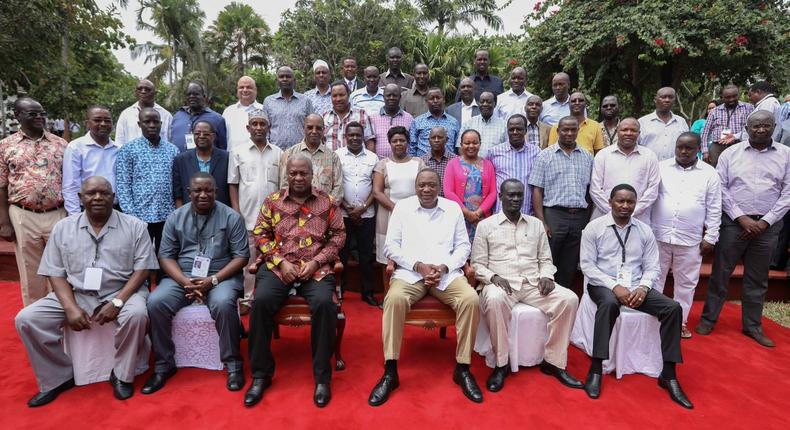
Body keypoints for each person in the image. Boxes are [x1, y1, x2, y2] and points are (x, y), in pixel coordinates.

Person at [16, 177, 157, 406]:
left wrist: (118, 302)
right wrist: (70, 308)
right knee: (27, 319)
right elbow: (55, 272)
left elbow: (142, 271)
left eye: (104, 193)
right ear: (81, 198)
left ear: (114, 197)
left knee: (138, 314)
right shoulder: (63, 228)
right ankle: (58, 377)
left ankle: (122, 375)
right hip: (78, 292)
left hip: (122, 292)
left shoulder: (135, 226)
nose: (98, 198)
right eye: (91, 193)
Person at [369, 168, 482, 406]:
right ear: (415, 187)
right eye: (422, 185)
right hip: (411, 274)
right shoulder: (402, 208)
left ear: (439, 187)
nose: (426, 189)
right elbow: (391, 247)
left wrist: (443, 267)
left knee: (471, 299)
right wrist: (418, 265)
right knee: (393, 299)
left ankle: (463, 368)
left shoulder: (452, 209)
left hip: (446, 275)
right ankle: (390, 371)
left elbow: (463, 247)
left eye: (431, 185)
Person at [579, 184, 692, 409]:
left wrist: (643, 287)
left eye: (630, 202)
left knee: (673, 308)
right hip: (602, 283)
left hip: (635, 285)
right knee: (609, 304)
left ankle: (668, 375)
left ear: (635, 204)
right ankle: (596, 368)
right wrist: (615, 286)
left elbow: (652, 267)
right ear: (610, 202)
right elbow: (587, 266)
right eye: (620, 201)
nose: (625, 206)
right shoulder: (594, 228)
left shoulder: (644, 230)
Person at [246, 156, 345, 408]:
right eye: (293, 174)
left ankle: (322, 378)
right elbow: (260, 234)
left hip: (316, 267)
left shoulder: (328, 202)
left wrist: (317, 261)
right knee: (260, 302)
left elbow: (338, 236)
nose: (298, 178)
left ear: (312, 175)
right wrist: (280, 262)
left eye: (303, 173)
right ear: (286, 175)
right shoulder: (273, 201)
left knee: (325, 304)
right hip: (281, 266)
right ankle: (261, 375)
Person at [143, 173, 249, 395]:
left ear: (216, 192)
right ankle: (164, 364)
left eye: (208, 190)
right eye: (197, 191)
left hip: (221, 276)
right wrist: (185, 282)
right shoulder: (175, 217)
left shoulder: (231, 217)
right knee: (155, 302)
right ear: (189, 193)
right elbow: (165, 256)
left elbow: (241, 257)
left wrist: (212, 280)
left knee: (222, 303)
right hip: (182, 276)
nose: (203, 195)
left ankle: (233, 364)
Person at [473, 179, 582, 392]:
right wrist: (493, 277)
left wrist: (547, 276)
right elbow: (477, 263)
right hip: (502, 284)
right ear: (501, 196)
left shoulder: (535, 225)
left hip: (534, 283)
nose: (515, 199)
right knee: (494, 299)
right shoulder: (486, 226)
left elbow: (546, 260)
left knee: (569, 299)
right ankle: (501, 364)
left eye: (519, 195)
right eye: (510, 195)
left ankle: (553, 362)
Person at [697, 110, 790, 348]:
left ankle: (752, 326)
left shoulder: (786, 155)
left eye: (766, 125)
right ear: (747, 129)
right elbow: (721, 188)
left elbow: (787, 193)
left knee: (757, 279)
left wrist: (765, 221)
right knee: (721, 273)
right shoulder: (730, 154)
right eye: (756, 126)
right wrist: (741, 218)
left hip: (767, 227)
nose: (761, 129)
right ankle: (708, 320)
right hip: (733, 224)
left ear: (773, 127)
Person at [652, 132, 721, 339]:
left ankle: (679, 322)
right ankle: (651, 319)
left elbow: (714, 207)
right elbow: (650, 199)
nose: (683, 151)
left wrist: (710, 237)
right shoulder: (661, 168)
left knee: (686, 283)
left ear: (699, 148)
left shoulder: (709, 174)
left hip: (690, 239)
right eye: (680, 147)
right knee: (654, 279)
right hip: (658, 236)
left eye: (689, 148)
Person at [0, 97, 68, 306]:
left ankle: (61, 312)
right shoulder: (5, 146)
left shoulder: (61, 144)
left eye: (41, 113)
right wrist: (4, 221)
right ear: (17, 116)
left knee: (60, 267)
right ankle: (35, 318)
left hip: (57, 213)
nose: (39, 117)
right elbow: (1, 185)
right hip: (23, 214)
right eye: (32, 114)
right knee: (31, 270)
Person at [228, 109, 283, 312]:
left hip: (275, 220)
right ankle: (247, 300)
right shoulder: (238, 152)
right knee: (248, 261)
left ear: (268, 127)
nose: (259, 128)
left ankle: (272, 298)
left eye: (262, 124)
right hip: (248, 217)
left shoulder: (278, 152)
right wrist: (236, 211)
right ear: (248, 128)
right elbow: (233, 183)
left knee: (274, 260)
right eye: (255, 124)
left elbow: (282, 186)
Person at [530, 116, 593, 288]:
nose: (569, 133)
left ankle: (564, 296)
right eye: (565, 129)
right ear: (558, 131)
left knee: (571, 262)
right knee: (549, 259)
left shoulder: (587, 157)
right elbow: (537, 190)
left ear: (578, 131)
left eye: (573, 129)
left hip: (579, 216)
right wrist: (542, 221)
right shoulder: (545, 156)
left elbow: (590, 191)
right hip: (554, 215)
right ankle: (546, 297)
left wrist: (587, 218)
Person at [115, 108, 179, 255]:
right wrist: (132, 215)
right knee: (140, 256)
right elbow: (123, 184)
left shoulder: (172, 150)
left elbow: (177, 184)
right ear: (139, 124)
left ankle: (164, 278)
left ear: (161, 124)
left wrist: (176, 213)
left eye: (155, 122)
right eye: (147, 121)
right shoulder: (128, 150)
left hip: (167, 215)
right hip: (140, 216)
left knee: (166, 255)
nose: (152, 125)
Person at [336, 122, 379, 307]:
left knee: (366, 255)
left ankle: (367, 292)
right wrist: (348, 208)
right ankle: (340, 291)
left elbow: (375, 187)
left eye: (358, 135)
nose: (354, 138)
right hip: (343, 214)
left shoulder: (373, 157)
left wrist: (362, 208)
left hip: (366, 214)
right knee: (342, 254)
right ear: (345, 136)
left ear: (363, 136)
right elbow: (336, 184)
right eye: (351, 135)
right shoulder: (337, 156)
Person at [590, 117, 660, 224]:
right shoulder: (603, 155)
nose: (629, 133)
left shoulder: (649, 156)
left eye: (633, 130)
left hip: (638, 219)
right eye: (624, 130)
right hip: (604, 218)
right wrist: (614, 211)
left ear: (639, 133)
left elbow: (653, 189)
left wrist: (632, 211)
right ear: (617, 130)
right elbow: (595, 189)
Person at [372, 126, 425, 264]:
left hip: (415, 214)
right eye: (395, 141)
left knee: (414, 254)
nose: (399, 143)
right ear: (390, 143)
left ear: (407, 142)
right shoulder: (383, 164)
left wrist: (408, 210)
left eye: (402, 140)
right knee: (387, 258)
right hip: (388, 213)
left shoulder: (418, 163)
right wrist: (396, 209)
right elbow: (377, 192)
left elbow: (425, 187)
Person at [62, 105, 120, 216]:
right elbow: (70, 186)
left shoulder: (119, 149)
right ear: (87, 123)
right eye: (97, 120)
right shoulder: (76, 148)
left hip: (115, 208)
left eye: (107, 120)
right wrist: (75, 216)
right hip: (88, 209)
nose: (103, 124)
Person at [444, 129, 497, 242]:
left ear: (480, 144)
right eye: (467, 143)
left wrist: (478, 213)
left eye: (475, 142)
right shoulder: (452, 164)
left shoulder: (488, 165)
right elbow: (448, 192)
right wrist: (467, 213)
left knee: (481, 250)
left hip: (482, 218)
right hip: (459, 216)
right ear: (461, 144)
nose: (471, 146)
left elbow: (493, 193)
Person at [280, 114, 343, 201]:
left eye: (318, 128)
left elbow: (338, 189)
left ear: (323, 130)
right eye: (310, 127)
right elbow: (284, 186)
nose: (314, 131)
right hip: (296, 212)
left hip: (325, 212)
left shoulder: (333, 157)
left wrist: (325, 209)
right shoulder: (290, 154)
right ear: (303, 128)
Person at [487, 114, 540, 214]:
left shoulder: (537, 153)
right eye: (511, 129)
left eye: (519, 129)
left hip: (527, 213)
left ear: (525, 130)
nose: (515, 132)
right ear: (507, 131)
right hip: (500, 213)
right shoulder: (494, 152)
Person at [172, 120, 230, 207]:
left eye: (206, 134)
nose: (201, 136)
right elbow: (178, 193)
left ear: (213, 136)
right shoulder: (181, 160)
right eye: (197, 133)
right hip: (191, 213)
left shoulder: (226, 158)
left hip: (220, 212)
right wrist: (180, 215)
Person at [702, 85, 754, 166]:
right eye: (728, 97)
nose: (731, 99)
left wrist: (737, 136)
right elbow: (705, 132)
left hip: (739, 145)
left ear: (738, 95)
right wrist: (705, 151)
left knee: (738, 171)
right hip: (717, 147)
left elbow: (751, 128)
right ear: (722, 97)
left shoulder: (748, 108)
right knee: (715, 172)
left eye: (734, 96)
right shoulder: (714, 111)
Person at [263, 66, 314, 150]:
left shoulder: (305, 101)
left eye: (288, 76)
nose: (285, 79)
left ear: (294, 80)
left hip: (300, 152)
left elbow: (312, 126)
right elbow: (265, 128)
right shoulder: (268, 101)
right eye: (281, 76)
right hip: (276, 151)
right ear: (277, 81)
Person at [170, 82, 227, 152]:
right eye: (189, 94)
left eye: (196, 94)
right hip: (178, 162)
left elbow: (223, 148)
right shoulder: (177, 116)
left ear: (204, 96)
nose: (191, 96)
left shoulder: (217, 119)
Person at [115, 79, 172, 146]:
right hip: (131, 155)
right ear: (135, 92)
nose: (143, 91)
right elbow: (119, 141)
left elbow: (170, 140)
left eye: (147, 89)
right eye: (140, 89)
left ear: (155, 93)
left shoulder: (166, 115)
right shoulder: (126, 114)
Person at [638, 87, 689, 161]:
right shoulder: (642, 122)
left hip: (674, 169)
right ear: (655, 99)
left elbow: (687, 145)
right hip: (648, 168)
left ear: (674, 100)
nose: (667, 100)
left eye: (670, 97)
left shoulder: (681, 122)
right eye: (663, 97)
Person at [324, 81, 376, 151]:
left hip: (357, 160)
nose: (338, 99)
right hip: (330, 161)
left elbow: (370, 142)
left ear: (348, 95)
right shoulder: (324, 117)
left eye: (341, 95)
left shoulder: (362, 115)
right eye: (334, 96)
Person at [409, 88, 460, 156]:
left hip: (449, 164)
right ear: (426, 101)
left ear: (444, 100)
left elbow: (457, 148)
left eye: (438, 98)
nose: (435, 101)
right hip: (424, 165)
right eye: (432, 98)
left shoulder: (454, 122)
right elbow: (412, 147)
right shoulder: (417, 122)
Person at [457, 91, 507, 157]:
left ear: (495, 104)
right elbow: (460, 147)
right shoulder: (468, 123)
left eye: (488, 102)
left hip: (495, 166)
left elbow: (507, 149)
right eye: (482, 102)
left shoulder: (504, 125)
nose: (485, 104)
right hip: (471, 166)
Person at [371, 84, 414, 159]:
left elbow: (412, 144)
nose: (391, 98)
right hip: (380, 165)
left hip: (403, 163)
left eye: (395, 95)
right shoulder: (372, 119)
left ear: (400, 97)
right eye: (388, 95)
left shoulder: (409, 118)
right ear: (383, 97)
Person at [222, 76, 263, 150]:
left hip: (258, 158)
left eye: (249, 87)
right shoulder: (228, 111)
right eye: (241, 87)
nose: (245, 90)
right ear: (237, 91)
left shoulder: (263, 110)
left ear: (255, 90)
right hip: (232, 158)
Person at [419, 127, 457, 197]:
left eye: (440, 137)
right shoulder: (421, 161)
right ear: (429, 140)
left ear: (446, 140)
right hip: (429, 204)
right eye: (433, 137)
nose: (436, 140)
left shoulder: (455, 161)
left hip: (450, 203)